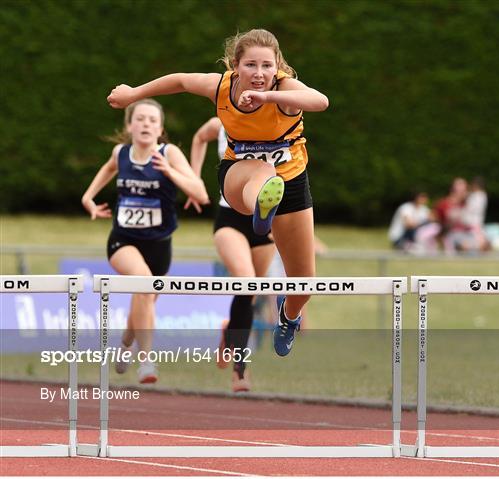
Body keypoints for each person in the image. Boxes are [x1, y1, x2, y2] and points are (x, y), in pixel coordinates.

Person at [107, 28, 329, 357]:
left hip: (293, 182)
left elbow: (320, 101)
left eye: (267, 66)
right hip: (238, 176)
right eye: (251, 65)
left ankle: (289, 315)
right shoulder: (221, 87)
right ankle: (262, 209)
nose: (259, 74)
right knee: (264, 174)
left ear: (278, 66)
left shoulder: (285, 89)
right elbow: (180, 80)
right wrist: (133, 94)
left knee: (304, 282)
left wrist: (268, 98)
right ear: (235, 66)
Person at [81, 99, 209, 383]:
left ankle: (126, 342)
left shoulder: (170, 153)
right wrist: (88, 198)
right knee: (142, 283)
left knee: (144, 299)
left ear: (160, 128)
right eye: (140, 119)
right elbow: (108, 168)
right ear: (129, 125)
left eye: (152, 120)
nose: (146, 124)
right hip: (122, 241)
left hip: (159, 245)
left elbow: (200, 194)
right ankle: (147, 361)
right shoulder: (121, 153)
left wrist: (169, 171)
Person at [188, 116, 276, 392]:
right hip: (229, 218)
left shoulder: (276, 121)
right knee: (247, 281)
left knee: (250, 294)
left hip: (265, 222)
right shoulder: (219, 123)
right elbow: (199, 138)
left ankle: (230, 331)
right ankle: (241, 369)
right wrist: (194, 181)